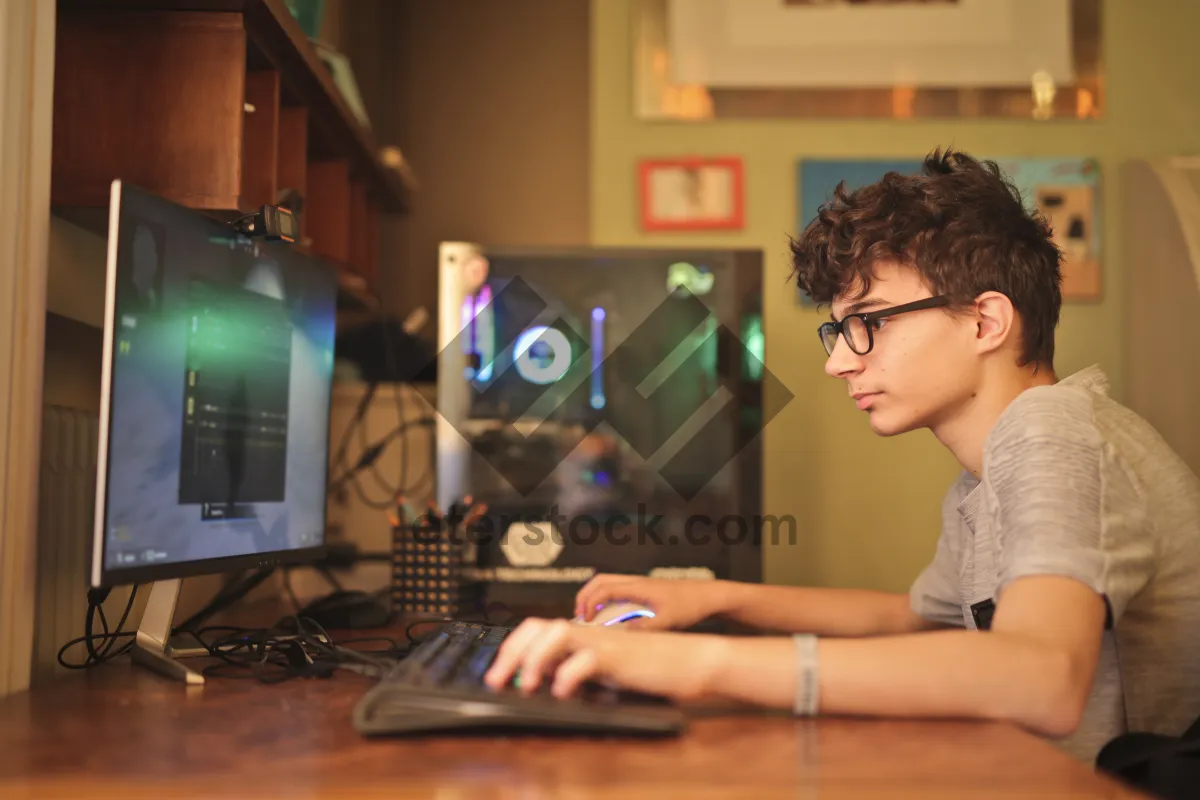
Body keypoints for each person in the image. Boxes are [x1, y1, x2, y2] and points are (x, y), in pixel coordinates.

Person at [482, 148, 1200, 763]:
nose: (838, 364)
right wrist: (712, 597)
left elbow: (1041, 677)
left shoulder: (1054, 434)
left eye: (868, 324)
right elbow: (914, 620)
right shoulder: (986, 477)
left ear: (985, 320)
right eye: (839, 331)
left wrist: (697, 663)